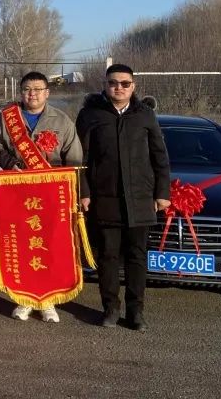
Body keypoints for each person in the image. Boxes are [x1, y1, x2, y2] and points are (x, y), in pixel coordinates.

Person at [76, 64, 171, 331]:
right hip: (105, 198)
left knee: (137, 257)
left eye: (125, 83)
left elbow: (160, 156)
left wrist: (162, 193)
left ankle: (135, 311)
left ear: (133, 86)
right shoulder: (90, 115)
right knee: (107, 256)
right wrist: (84, 191)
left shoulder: (145, 115)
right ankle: (110, 308)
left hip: (140, 198)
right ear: (105, 85)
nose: (119, 88)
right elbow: (80, 158)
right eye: (113, 83)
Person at [0, 71, 82, 323]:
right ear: (21, 92)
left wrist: (74, 191)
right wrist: (10, 163)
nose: (33, 94)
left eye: (38, 89)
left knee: (49, 243)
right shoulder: (7, 118)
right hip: (18, 191)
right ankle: (24, 298)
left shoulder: (61, 120)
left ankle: (48, 299)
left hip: (51, 194)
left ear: (47, 93)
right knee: (22, 242)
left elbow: (74, 158)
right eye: (27, 89)